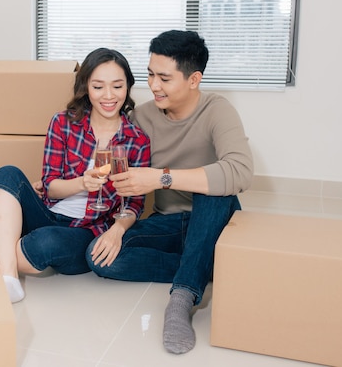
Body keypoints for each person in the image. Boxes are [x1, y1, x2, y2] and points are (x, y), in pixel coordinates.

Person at [85, 30, 253, 354]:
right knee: (100, 257)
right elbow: (115, 166)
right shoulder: (143, 116)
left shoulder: (218, 110)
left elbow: (240, 171)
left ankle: (182, 298)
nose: (153, 85)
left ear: (193, 79)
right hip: (167, 222)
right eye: (149, 74)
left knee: (214, 188)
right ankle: (201, 264)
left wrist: (160, 178)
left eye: (164, 77)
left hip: (212, 219)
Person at [0, 47, 151, 303]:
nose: (108, 95)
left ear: (128, 87)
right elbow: (50, 186)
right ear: (86, 87)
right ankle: (8, 279)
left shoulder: (137, 140)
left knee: (45, 244)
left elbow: (134, 203)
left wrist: (117, 230)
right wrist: (82, 182)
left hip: (87, 230)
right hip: (48, 212)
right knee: (6, 173)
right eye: (98, 87)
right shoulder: (63, 122)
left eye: (117, 86)